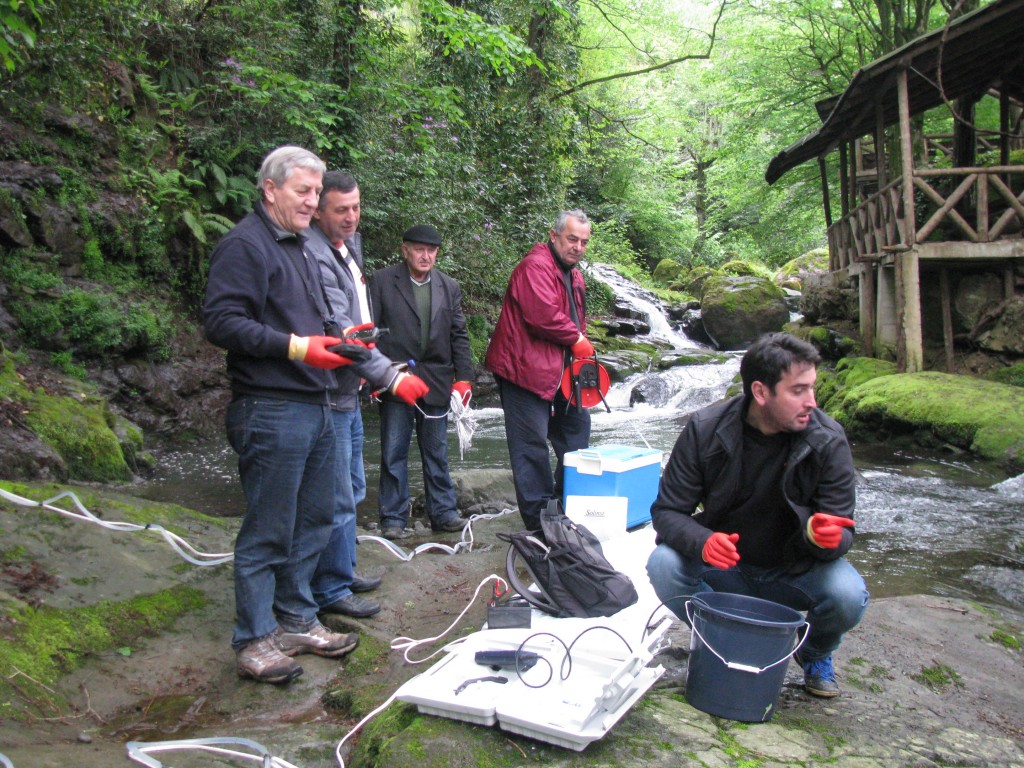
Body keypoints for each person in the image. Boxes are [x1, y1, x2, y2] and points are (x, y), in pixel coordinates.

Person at [203, 146, 368, 684]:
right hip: (270, 406)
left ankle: (297, 618)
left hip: (319, 401)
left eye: (316, 193)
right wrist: (297, 348)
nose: (312, 202)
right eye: (303, 191)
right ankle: (253, 638)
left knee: (317, 518)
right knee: (269, 529)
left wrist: (342, 342)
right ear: (270, 189)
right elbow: (222, 322)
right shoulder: (244, 244)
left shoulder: (301, 245)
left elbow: (310, 319)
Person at [645, 332, 869, 698]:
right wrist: (703, 541)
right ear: (761, 392)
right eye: (798, 390)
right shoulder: (705, 430)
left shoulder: (829, 440)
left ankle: (814, 653)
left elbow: (841, 532)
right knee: (664, 565)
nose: (812, 402)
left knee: (847, 594)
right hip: (726, 569)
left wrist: (826, 538)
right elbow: (668, 512)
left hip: (795, 570)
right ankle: (727, 642)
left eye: (813, 388)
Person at [304, 171, 430, 618]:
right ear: (319, 210)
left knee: (354, 485)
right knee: (336, 491)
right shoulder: (314, 253)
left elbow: (359, 317)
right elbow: (338, 329)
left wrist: (374, 361)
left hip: (352, 385)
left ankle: (341, 568)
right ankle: (330, 589)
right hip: (328, 389)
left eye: (356, 207)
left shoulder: (347, 246)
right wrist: (390, 378)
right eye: (341, 210)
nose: (352, 217)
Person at [483, 210, 594, 531]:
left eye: (584, 242)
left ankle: (564, 503)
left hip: (561, 370)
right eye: (572, 239)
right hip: (522, 369)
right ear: (554, 235)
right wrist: (577, 339)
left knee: (577, 434)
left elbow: (577, 318)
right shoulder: (535, 266)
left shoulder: (573, 273)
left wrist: (580, 346)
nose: (578, 247)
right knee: (530, 445)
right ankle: (540, 521)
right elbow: (542, 315)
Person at [369, 224, 474, 539]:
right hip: (395, 378)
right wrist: (373, 375)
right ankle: (393, 518)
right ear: (405, 250)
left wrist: (465, 377)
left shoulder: (449, 286)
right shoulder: (383, 281)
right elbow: (370, 331)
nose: (425, 255)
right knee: (393, 452)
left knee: (437, 451)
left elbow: (458, 334)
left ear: (437, 253)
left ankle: (443, 513)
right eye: (418, 249)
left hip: (437, 381)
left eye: (431, 250)